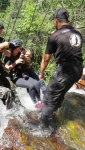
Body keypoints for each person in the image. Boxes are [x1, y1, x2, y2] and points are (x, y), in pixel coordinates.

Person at [38, 8, 83, 136]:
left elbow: (46, 58)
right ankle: (53, 114)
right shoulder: (77, 33)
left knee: (48, 98)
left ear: (56, 20)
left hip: (65, 71)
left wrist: (41, 73)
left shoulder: (55, 35)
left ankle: (44, 130)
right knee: (60, 92)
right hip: (78, 70)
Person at [4, 39, 42, 108]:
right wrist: (16, 63)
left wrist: (25, 57)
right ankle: (35, 104)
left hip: (23, 74)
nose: (17, 51)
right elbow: (6, 68)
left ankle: (39, 101)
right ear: (12, 49)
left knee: (36, 83)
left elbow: (29, 60)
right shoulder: (8, 57)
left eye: (19, 49)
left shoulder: (21, 52)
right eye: (16, 50)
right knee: (31, 86)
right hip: (15, 77)